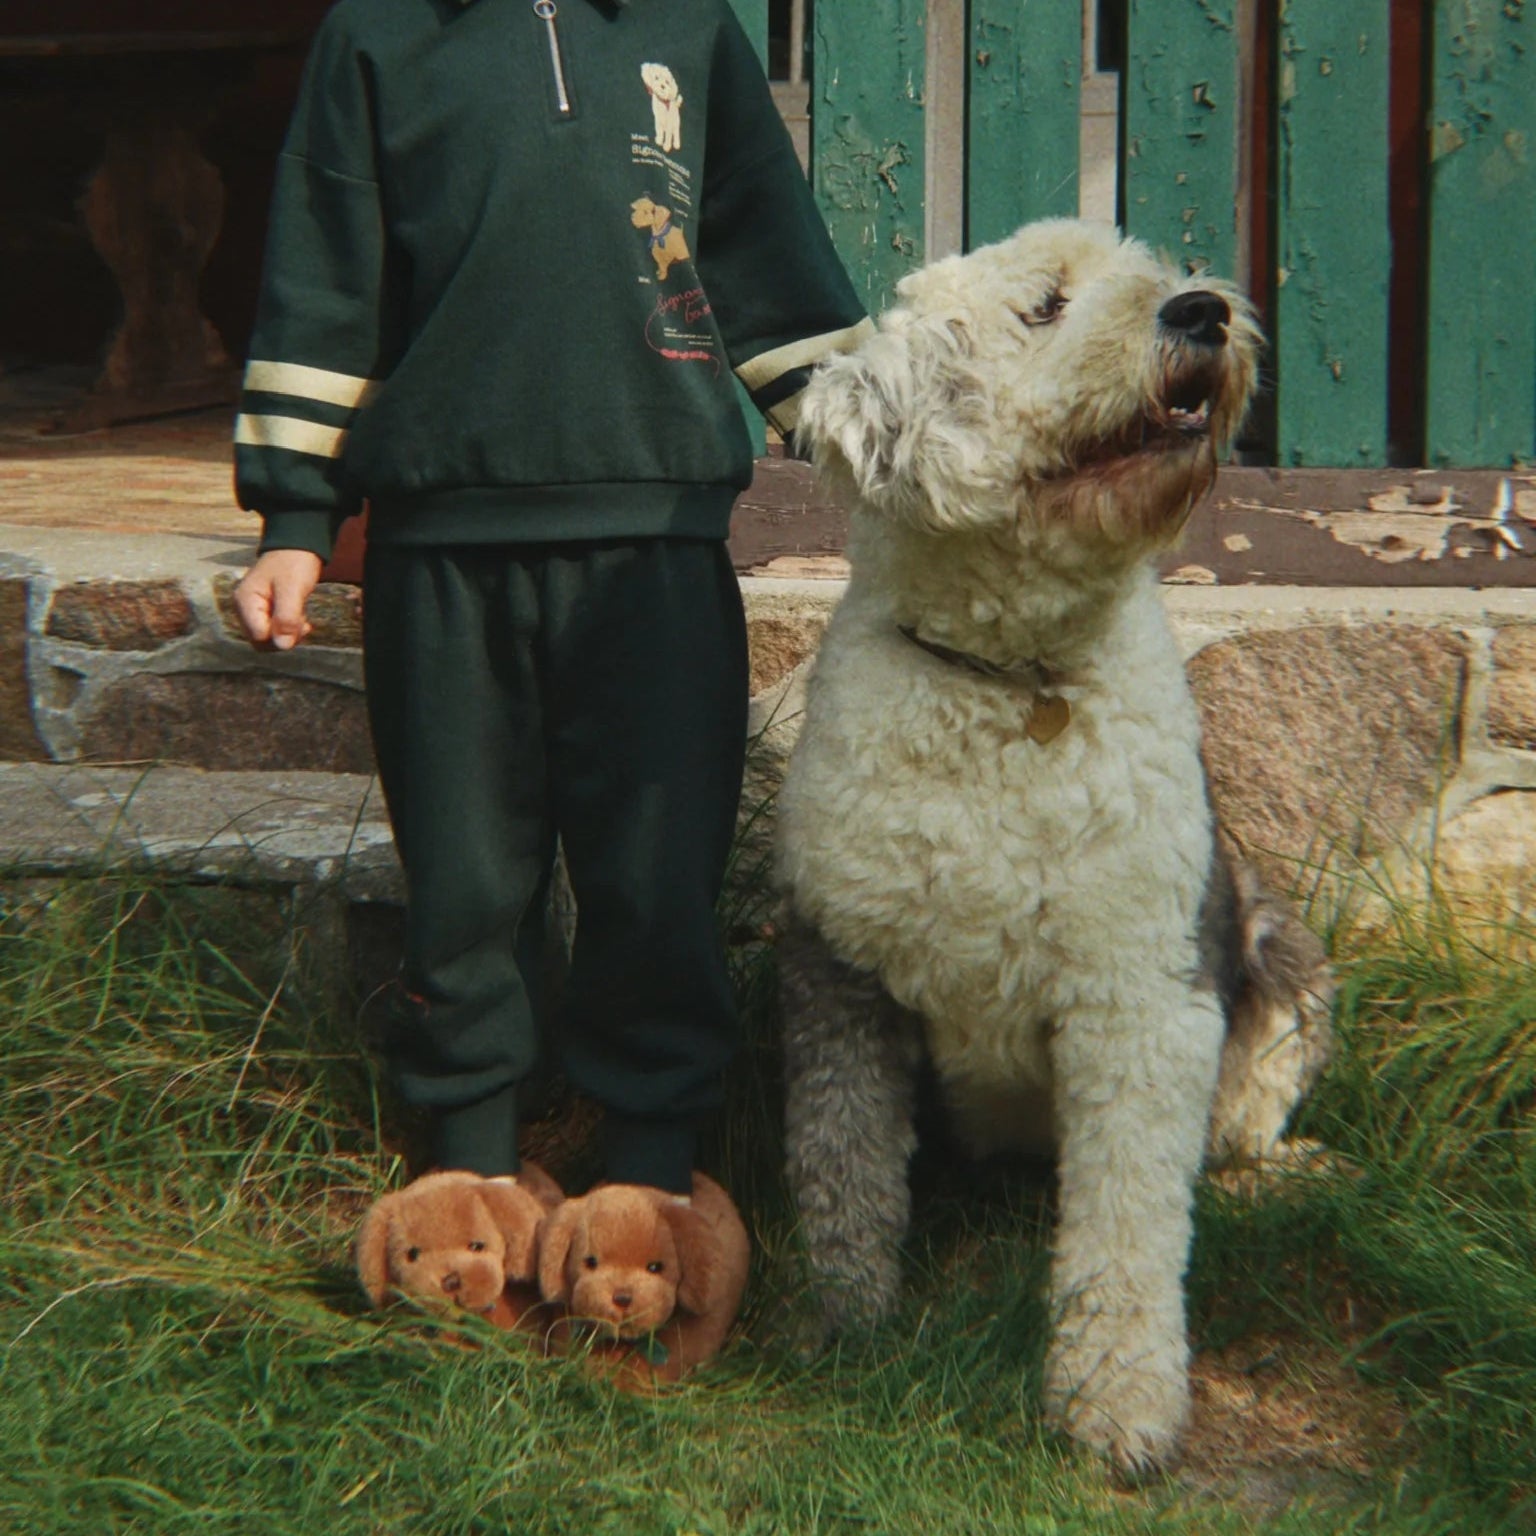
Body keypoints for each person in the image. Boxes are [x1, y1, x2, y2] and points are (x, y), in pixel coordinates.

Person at [231, 0, 869, 1199]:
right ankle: (470, 1178)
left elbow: (765, 243)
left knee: (656, 883)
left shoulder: (689, 29)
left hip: (658, 543)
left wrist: (881, 454)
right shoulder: (376, 37)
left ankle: (650, 1180)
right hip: (442, 551)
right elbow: (325, 267)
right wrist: (296, 517)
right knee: (467, 886)